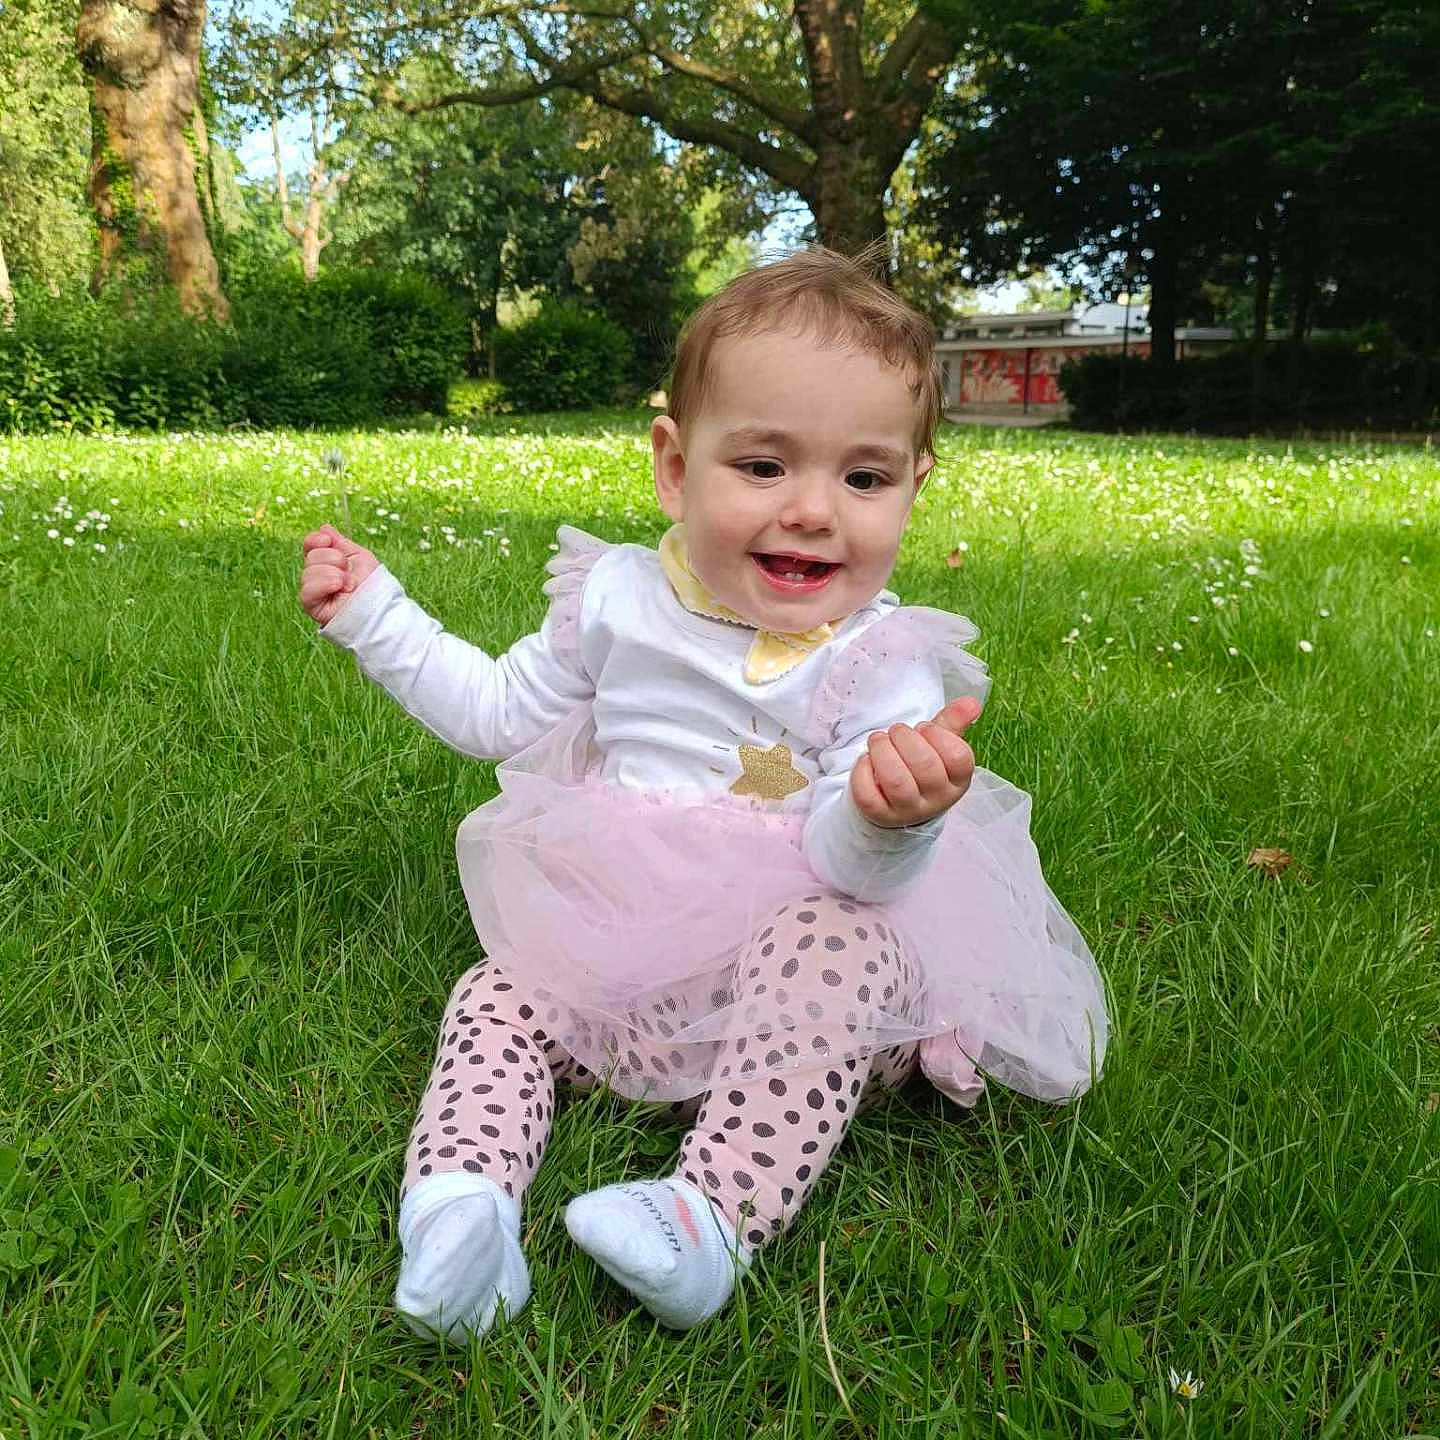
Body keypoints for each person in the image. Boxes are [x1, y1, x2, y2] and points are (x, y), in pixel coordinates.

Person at [298, 247, 1108, 1342]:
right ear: (676, 469)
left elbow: (848, 875)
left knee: (841, 946)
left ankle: (708, 1217)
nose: (815, 511)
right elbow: (499, 712)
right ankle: (461, 1208)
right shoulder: (617, 598)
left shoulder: (885, 666)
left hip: (797, 998)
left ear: (915, 491)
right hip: (624, 950)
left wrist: (886, 818)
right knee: (497, 993)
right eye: (764, 467)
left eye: (864, 479)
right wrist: (379, 618)